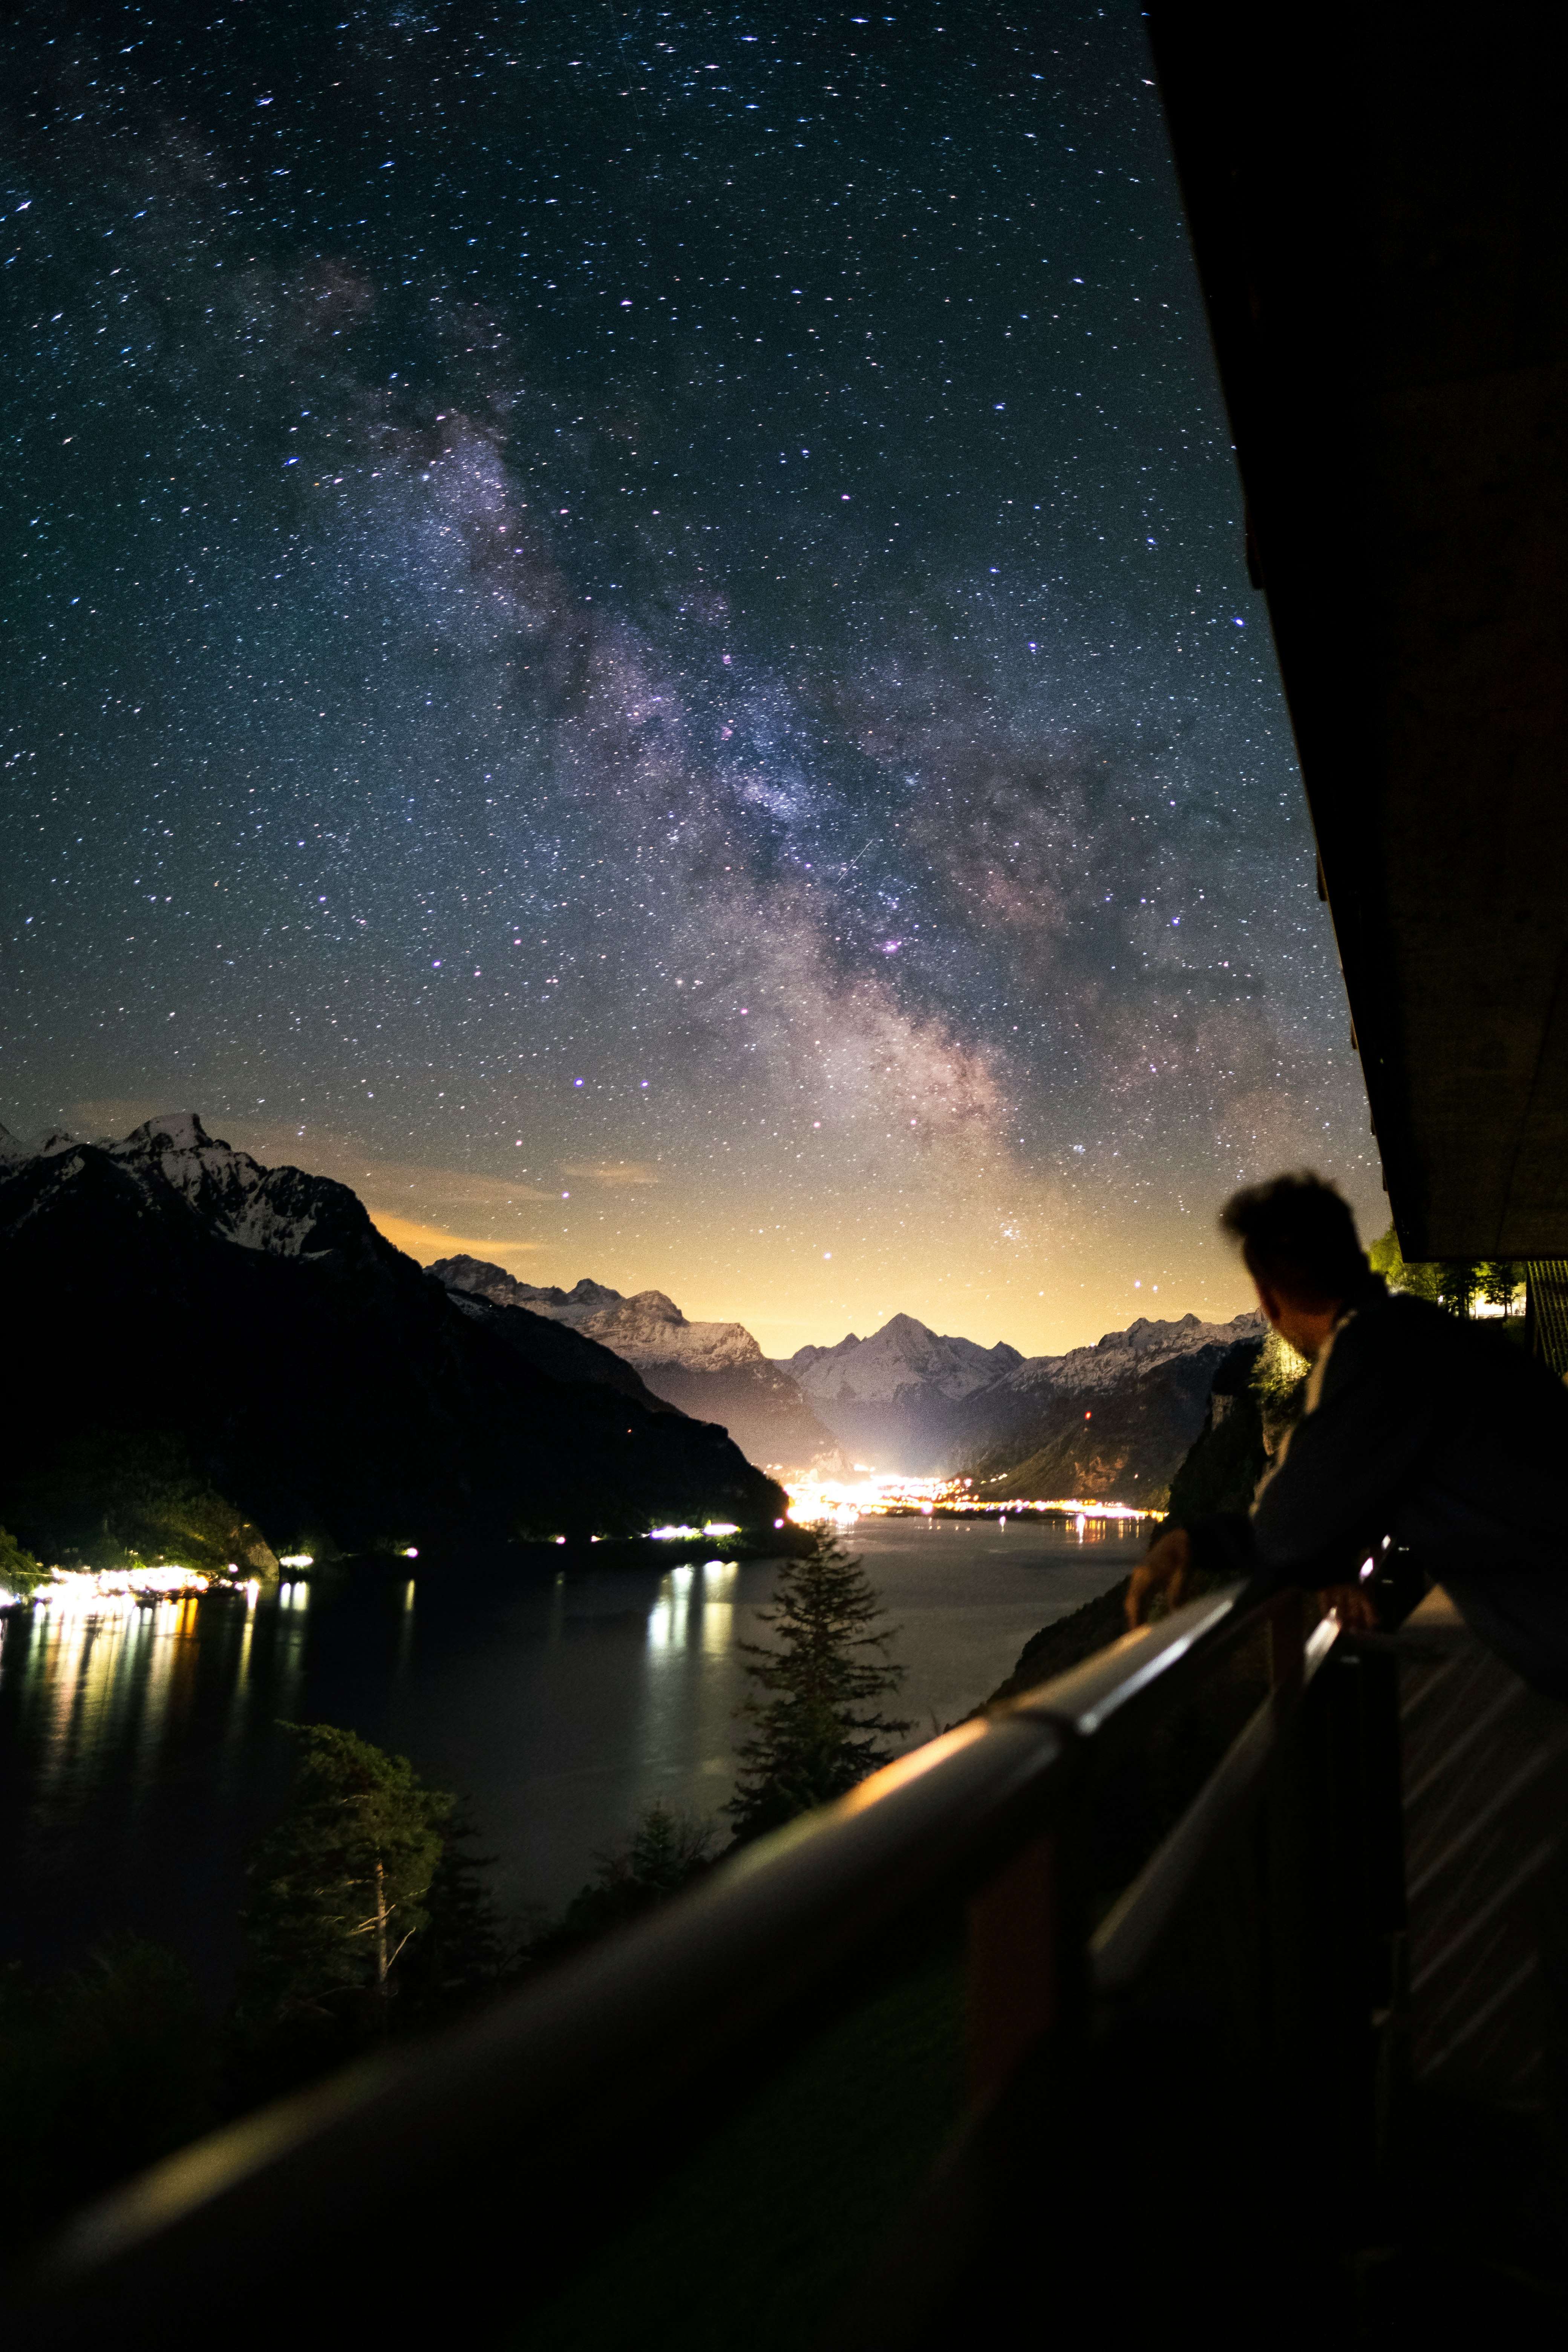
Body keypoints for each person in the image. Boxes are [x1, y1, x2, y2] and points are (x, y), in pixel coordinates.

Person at [1127, 1172, 1568, 1699]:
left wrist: (1200, 1540)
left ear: (1268, 1301)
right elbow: (1360, 1487)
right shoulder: (1419, 1331)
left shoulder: (1376, 1351)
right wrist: (1328, 1563)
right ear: (1356, 1261)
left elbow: (1287, 1528)